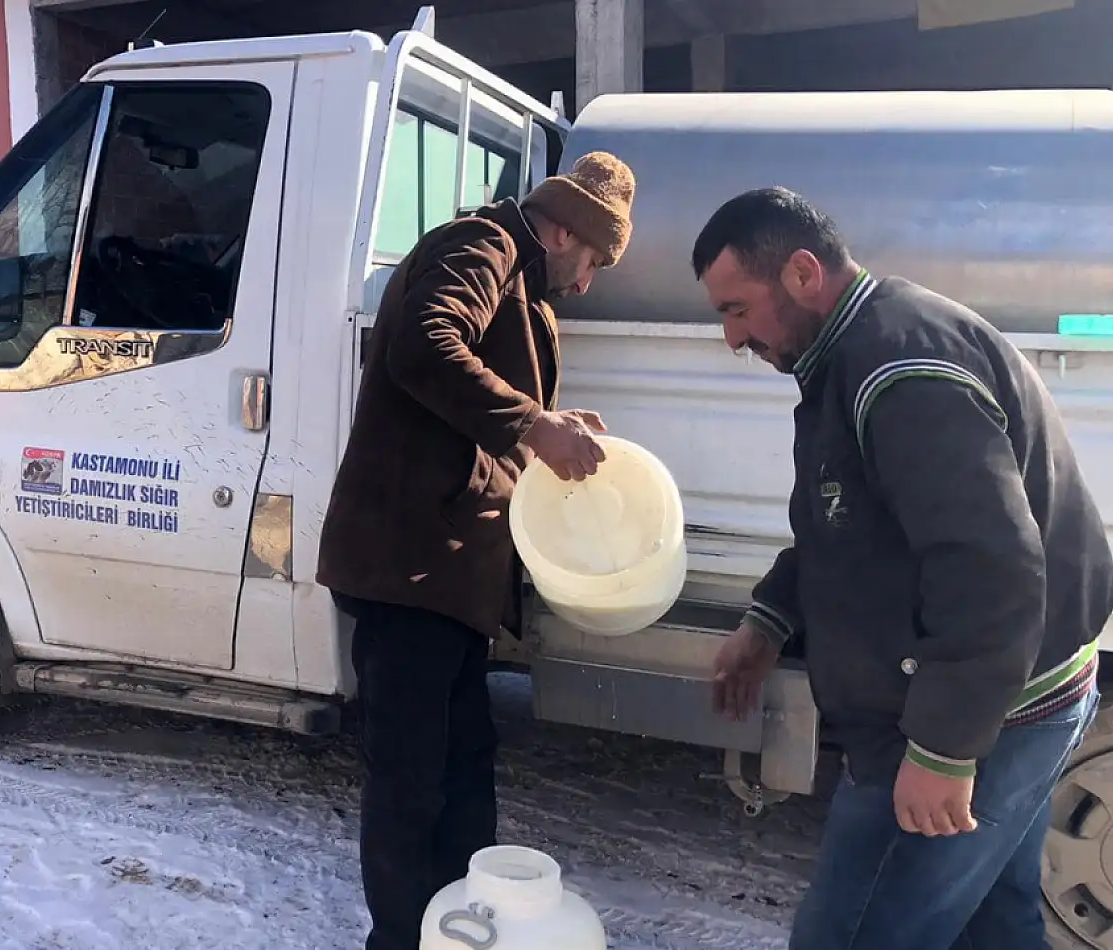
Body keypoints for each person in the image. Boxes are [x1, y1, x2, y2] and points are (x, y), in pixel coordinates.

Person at [694, 187, 1113, 950]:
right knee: (995, 921)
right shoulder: (853, 353)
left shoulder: (901, 368)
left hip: (988, 717)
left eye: (737, 309)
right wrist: (769, 619)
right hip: (1015, 698)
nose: (731, 337)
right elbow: (847, 525)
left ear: (800, 273)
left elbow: (990, 565)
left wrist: (945, 749)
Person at [316, 152, 637, 950]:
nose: (587, 281)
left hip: (452, 574)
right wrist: (533, 424)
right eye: (592, 258)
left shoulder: (521, 274)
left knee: (463, 770)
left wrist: (551, 423)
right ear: (563, 225)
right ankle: (402, 940)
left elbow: (477, 397)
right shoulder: (482, 245)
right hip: (410, 563)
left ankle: (461, 932)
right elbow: (424, 349)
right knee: (412, 782)